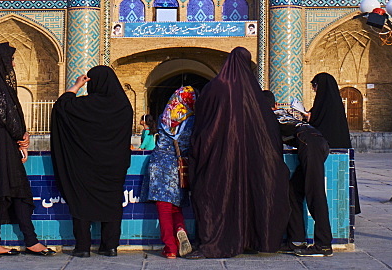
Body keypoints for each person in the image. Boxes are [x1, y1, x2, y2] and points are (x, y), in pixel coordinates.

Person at [187, 47, 290, 258]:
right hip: (253, 159)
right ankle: (253, 240)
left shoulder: (216, 86)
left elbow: (202, 122)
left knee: (216, 194)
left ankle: (215, 242)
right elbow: (270, 129)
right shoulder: (255, 94)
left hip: (220, 156)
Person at [0, 42, 53, 256]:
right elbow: (5, 114)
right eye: (10, 59)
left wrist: (18, 138)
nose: (14, 64)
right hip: (1, 142)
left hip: (0, 142)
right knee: (4, 192)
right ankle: (3, 242)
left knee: (12, 191)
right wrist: (21, 136)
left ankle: (24, 240)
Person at [50, 66, 133, 257]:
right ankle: (110, 246)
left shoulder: (84, 106)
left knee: (82, 202)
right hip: (114, 165)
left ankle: (83, 247)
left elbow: (61, 106)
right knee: (112, 202)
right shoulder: (123, 106)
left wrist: (76, 86)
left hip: (84, 165)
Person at [262, 90, 333, 258]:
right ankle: (296, 241)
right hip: (318, 142)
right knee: (293, 191)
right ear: (276, 105)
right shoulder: (283, 113)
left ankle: (323, 245)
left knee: (315, 194)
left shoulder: (266, 118)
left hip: (308, 144)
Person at [141, 87, 196, 258]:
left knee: (164, 208)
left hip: (160, 164)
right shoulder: (193, 120)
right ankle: (180, 229)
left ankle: (170, 247)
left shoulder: (166, 116)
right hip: (180, 166)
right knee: (175, 206)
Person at [307, 72, 360, 215]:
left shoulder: (326, 104)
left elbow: (320, 124)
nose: (314, 90)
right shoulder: (331, 102)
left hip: (332, 149)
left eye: (315, 86)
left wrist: (309, 119)